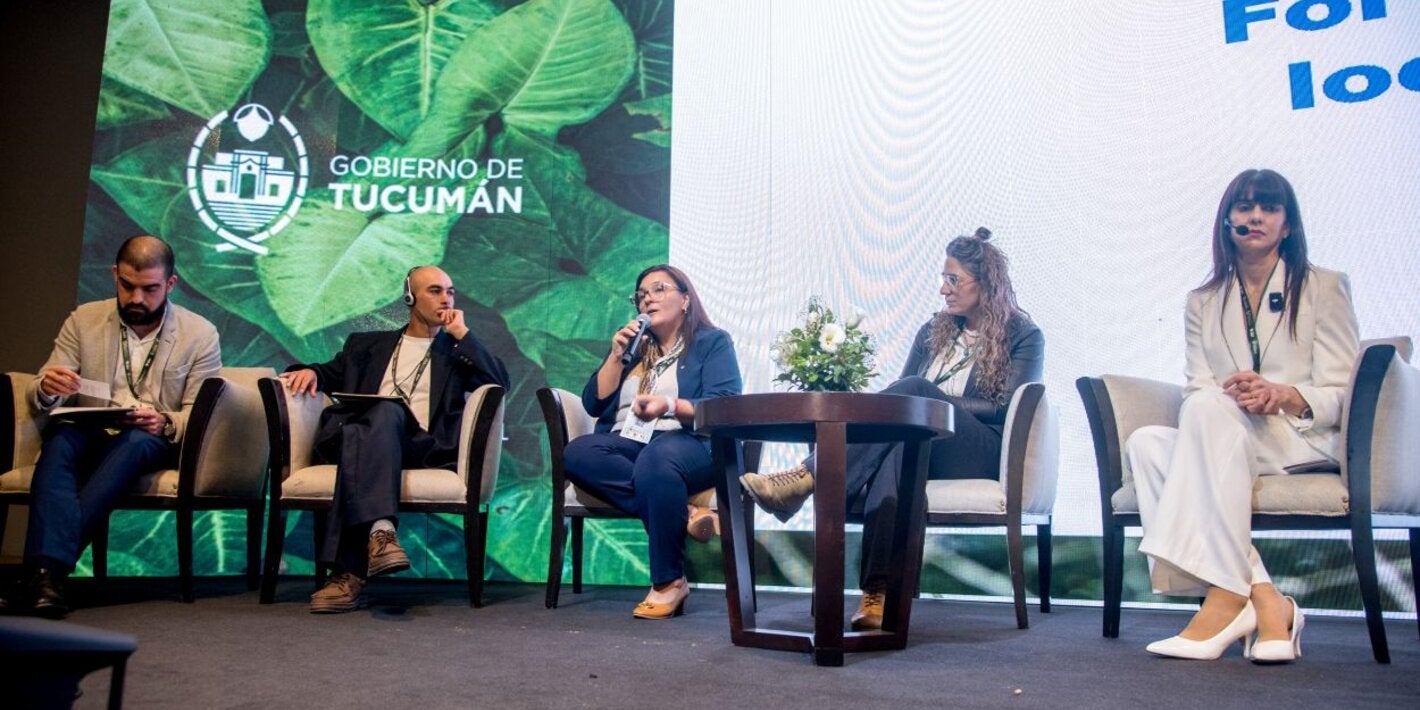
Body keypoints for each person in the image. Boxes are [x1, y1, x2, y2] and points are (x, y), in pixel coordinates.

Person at [741, 228, 1044, 630]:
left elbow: (1002, 408)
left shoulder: (1022, 335)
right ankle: (878, 594)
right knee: (898, 443)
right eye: (944, 279)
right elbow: (896, 407)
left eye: (953, 280)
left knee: (914, 396)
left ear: (985, 281)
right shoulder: (933, 331)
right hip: (923, 444)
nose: (944, 289)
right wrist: (919, 410)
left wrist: (931, 405)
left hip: (977, 448)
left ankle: (806, 478)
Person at [1125, 169, 1359, 663]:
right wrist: (1235, 397)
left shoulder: (1324, 286)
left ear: (1287, 225)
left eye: (1269, 208)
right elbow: (1199, 388)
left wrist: (1283, 395)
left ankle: (1227, 600)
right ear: (1227, 221)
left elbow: (1344, 393)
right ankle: (1266, 600)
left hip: (1300, 438)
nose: (1255, 216)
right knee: (1147, 442)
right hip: (1229, 433)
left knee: (1207, 410)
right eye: (1245, 207)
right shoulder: (1202, 301)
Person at [7, 235, 221, 618]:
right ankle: (45, 579)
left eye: (150, 289)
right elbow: (41, 388)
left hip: (149, 438)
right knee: (60, 439)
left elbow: (201, 415)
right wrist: (49, 388)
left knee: (135, 442)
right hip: (90, 428)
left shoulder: (199, 334)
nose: (137, 298)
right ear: (115, 276)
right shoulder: (84, 319)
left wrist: (164, 421)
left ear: (170, 284)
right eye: (127, 286)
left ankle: (39, 575)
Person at [280, 266, 509, 613]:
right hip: (365, 442)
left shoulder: (457, 352)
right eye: (435, 291)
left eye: (450, 291)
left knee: (385, 414)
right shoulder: (367, 346)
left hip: (422, 447)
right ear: (409, 297)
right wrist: (310, 371)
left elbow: (499, 383)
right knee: (370, 424)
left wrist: (461, 333)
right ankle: (381, 532)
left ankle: (347, 574)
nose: (446, 299)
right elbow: (329, 372)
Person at [562, 265, 743, 619]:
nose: (648, 299)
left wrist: (670, 406)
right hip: (630, 442)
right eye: (641, 294)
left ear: (685, 300)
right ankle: (685, 511)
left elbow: (724, 405)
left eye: (659, 289)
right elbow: (594, 404)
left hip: (690, 441)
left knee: (657, 459)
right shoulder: (633, 348)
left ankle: (668, 582)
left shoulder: (712, 342)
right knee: (577, 452)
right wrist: (616, 356)